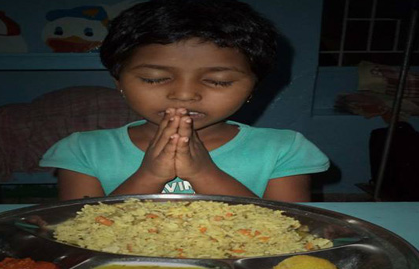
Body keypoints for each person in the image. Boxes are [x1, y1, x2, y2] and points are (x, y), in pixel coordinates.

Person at [40, 0, 329, 202]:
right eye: (154, 78)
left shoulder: (284, 150)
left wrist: (205, 173)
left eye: (219, 81)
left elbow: (287, 232)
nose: (184, 94)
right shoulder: (83, 151)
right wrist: (149, 176)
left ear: (253, 87)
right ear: (119, 82)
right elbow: (79, 232)